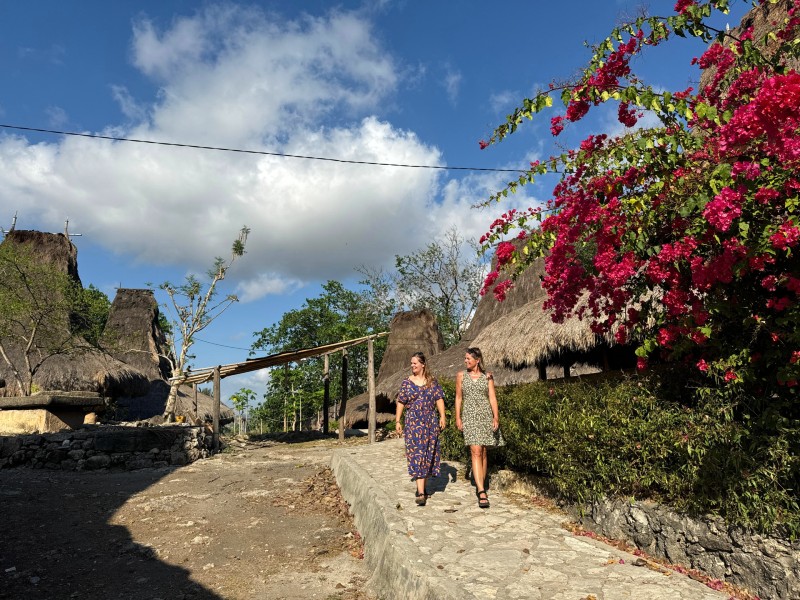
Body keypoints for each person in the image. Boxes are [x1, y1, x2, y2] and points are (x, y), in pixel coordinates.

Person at [455, 347, 504, 508]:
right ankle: (481, 491)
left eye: (468, 358)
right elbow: (458, 398)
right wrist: (458, 417)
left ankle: (481, 482)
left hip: (485, 415)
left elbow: (492, 398)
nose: (465, 361)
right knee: (475, 450)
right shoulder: (461, 376)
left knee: (482, 451)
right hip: (469, 416)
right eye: (465, 358)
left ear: (477, 360)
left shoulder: (487, 377)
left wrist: (496, 416)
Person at [395, 352, 446, 506]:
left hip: (430, 422)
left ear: (423, 364)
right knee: (416, 454)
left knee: (428, 453)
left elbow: (439, 399)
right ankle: (421, 492)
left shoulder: (432, 382)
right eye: (411, 363)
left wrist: (442, 416)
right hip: (413, 423)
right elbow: (401, 402)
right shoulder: (406, 383)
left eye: (415, 363)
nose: (412, 366)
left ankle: (422, 486)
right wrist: (398, 420)